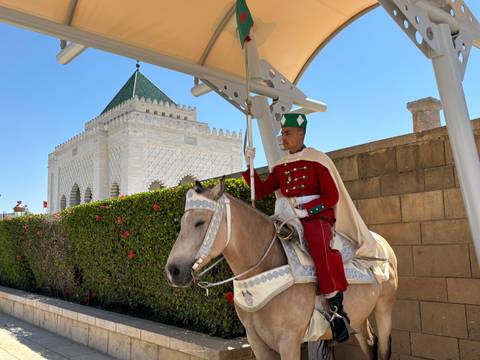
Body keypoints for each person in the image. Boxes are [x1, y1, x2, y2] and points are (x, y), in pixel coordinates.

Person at [243, 113, 350, 342]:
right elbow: (261, 190)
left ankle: (336, 309)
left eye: (288, 133)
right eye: (282, 133)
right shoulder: (280, 166)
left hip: (315, 216)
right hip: (287, 215)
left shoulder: (316, 160)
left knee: (318, 245)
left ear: (301, 134)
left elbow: (332, 195)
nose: (283, 137)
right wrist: (249, 166)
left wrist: (308, 210)